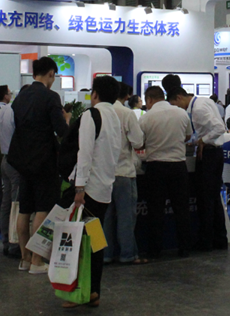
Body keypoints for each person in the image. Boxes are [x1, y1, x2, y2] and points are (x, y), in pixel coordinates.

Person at [64, 76, 122, 308]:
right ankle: (94, 291)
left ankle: (81, 291)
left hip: (88, 190)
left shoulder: (91, 115)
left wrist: (79, 188)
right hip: (105, 188)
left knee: (79, 243)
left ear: (95, 94)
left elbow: (85, 153)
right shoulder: (115, 116)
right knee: (96, 242)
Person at [8, 57, 70, 273]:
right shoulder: (51, 97)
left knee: (25, 209)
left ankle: (24, 259)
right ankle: (37, 260)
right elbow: (61, 131)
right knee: (43, 209)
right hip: (44, 160)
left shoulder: (21, 96)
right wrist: (67, 120)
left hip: (22, 160)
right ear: (51, 73)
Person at [168, 86, 229, 252]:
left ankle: (206, 241)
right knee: (213, 198)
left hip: (209, 154)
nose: (177, 109)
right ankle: (219, 239)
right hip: (213, 153)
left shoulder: (198, 108)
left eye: (175, 105)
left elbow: (219, 128)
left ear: (179, 97)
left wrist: (202, 140)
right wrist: (197, 141)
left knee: (206, 199)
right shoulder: (202, 102)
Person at [138, 85, 193, 259]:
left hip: (156, 167)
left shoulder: (146, 118)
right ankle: (184, 247)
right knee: (181, 208)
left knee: (156, 210)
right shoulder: (181, 113)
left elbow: (140, 142)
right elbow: (187, 136)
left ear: (149, 100)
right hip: (178, 166)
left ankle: (155, 250)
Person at [104, 82, 145, 265]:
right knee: (126, 217)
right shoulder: (126, 114)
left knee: (105, 218)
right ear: (126, 96)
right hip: (123, 172)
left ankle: (105, 254)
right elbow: (138, 142)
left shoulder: (98, 112)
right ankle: (127, 254)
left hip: (103, 174)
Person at [0, 85, 20, 258]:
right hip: (16, 162)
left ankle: (6, 240)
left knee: (6, 203)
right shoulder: (16, 112)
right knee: (16, 203)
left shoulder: (2, 111)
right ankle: (14, 244)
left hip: (5, 159)